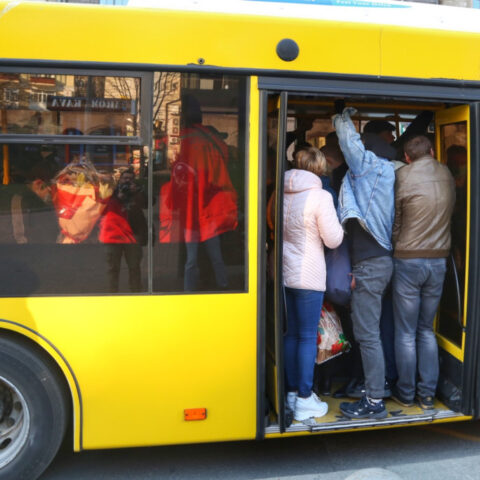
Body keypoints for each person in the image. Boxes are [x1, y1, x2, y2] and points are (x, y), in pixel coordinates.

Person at [333, 106, 395, 420]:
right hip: (380, 261)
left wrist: (340, 116)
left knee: (368, 336)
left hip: (370, 266)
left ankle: (373, 400)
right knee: (374, 333)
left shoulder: (368, 168)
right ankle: (375, 390)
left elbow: (349, 142)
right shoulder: (391, 171)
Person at [391, 135, 455, 410]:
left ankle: (406, 393)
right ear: (431, 151)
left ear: (407, 157)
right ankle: (428, 394)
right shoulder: (447, 172)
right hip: (439, 259)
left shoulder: (403, 176)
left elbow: (396, 220)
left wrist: (396, 245)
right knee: (426, 329)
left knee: (405, 332)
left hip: (408, 260)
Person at [283, 146, 343, 421]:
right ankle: (306, 398)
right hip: (309, 274)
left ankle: (292, 392)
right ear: (319, 169)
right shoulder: (320, 196)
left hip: (285, 273)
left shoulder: (281, 192)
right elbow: (333, 239)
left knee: (292, 334)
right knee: (307, 336)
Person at [158, 94, 238, 291]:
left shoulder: (185, 143)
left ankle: (189, 291)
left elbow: (177, 181)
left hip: (191, 215)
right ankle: (223, 287)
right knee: (214, 256)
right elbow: (217, 177)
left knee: (192, 259)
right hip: (208, 213)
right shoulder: (208, 145)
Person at [99, 168, 147, 293]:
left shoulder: (137, 191)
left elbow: (148, 203)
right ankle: (112, 294)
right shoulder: (112, 191)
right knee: (112, 268)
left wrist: (137, 192)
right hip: (114, 235)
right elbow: (102, 208)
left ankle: (136, 293)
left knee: (134, 266)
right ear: (120, 180)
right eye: (125, 178)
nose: (127, 181)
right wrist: (117, 197)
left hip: (133, 233)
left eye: (130, 179)